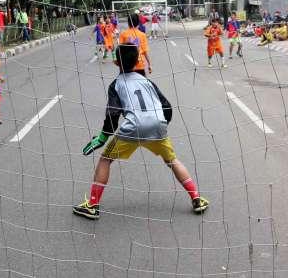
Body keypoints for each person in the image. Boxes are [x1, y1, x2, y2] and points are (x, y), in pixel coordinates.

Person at [73, 44, 210, 220]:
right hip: (157, 126)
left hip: (133, 128)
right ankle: (196, 198)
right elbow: (166, 106)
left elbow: (113, 114)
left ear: (116, 62)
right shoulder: (147, 81)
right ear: (139, 60)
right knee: (172, 160)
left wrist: (102, 138)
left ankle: (92, 205)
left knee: (105, 160)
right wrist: (161, 125)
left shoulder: (116, 84)